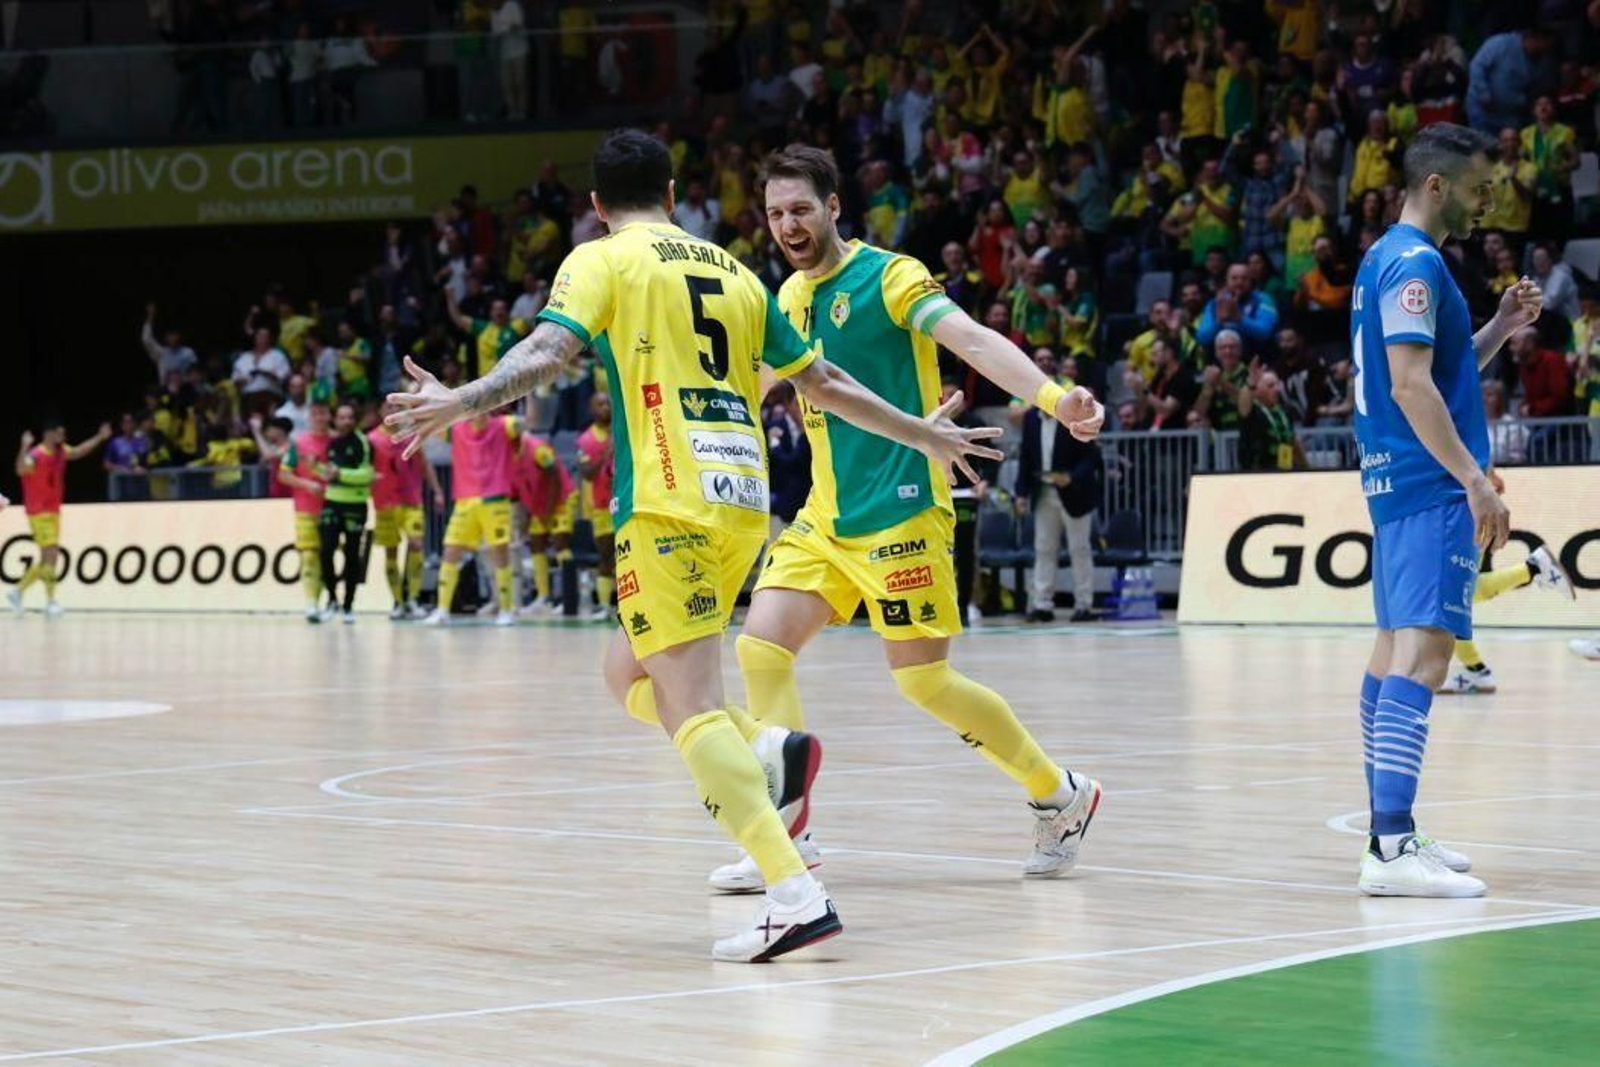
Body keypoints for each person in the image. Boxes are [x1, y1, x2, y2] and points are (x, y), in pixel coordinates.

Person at [384, 129, 1001, 963]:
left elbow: (549, 352)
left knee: (689, 703)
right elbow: (826, 383)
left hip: (669, 503)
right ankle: (767, 749)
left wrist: (464, 398)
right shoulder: (736, 269)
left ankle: (794, 891)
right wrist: (920, 434)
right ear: (674, 194)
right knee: (625, 671)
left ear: (597, 206)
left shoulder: (601, 258)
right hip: (741, 503)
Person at [709, 142, 1104, 896]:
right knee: (761, 647)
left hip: (901, 511)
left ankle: (1061, 793)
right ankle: (788, 835)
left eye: (800, 209)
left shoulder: (891, 276)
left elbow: (973, 339)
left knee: (923, 680)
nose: (787, 225)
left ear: (833, 208)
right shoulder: (785, 300)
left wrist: (1055, 399)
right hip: (825, 517)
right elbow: (747, 382)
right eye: (774, 213)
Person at [1351, 123, 1544, 898]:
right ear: (1438, 186)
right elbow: (1409, 385)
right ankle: (1391, 846)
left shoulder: (1382, 258)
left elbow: (1441, 369)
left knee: (1389, 654)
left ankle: (1387, 831)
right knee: (1427, 660)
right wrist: (1475, 478)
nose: (1488, 200)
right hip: (1430, 482)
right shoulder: (1417, 264)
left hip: (1395, 480)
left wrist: (1498, 326)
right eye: (1479, 187)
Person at [6, 421, 111, 616]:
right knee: (52, 554)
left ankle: (18, 591)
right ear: (49, 434)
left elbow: (79, 451)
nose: (63, 437)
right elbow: (20, 469)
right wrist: (23, 447)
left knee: (48, 558)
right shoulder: (36, 455)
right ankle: (50, 601)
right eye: (59, 433)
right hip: (38, 512)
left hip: (53, 511)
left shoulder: (61, 452)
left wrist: (99, 438)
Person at [429, 411, 522, 627]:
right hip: (465, 500)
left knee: (499, 553)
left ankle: (506, 610)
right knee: (451, 551)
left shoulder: (504, 425)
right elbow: (431, 426)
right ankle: (442, 610)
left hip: (495, 499)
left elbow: (521, 426)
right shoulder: (456, 429)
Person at [1016, 388, 1101, 623]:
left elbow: (1091, 456)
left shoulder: (1072, 416)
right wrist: (1020, 492)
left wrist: (1071, 477)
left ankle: (1084, 604)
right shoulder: (1030, 418)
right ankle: (1042, 604)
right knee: (1043, 547)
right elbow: (1025, 456)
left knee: (1079, 548)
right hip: (1043, 491)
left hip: (1074, 492)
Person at [369, 398, 445, 620]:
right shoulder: (372, 439)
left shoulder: (413, 435)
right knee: (391, 551)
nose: (393, 410)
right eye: (389, 406)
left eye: (398, 407)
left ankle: (412, 599)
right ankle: (397, 602)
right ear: (381, 410)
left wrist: (437, 491)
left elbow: (425, 464)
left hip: (412, 500)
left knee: (416, 544)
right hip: (385, 503)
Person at [316, 402, 375, 624]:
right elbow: (327, 474)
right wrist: (316, 468)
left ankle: (349, 605)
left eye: (350, 417)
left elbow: (367, 474)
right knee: (325, 551)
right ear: (335, 420)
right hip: (332, 502)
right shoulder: (332, 443)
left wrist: (340, 474)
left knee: (352, 555)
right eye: (342, 417)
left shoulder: (363, 442)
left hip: (355, 505)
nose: (346, 421)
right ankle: (331, 599)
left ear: (355, 419)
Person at [276, 400, 334, 622]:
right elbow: (284, 474)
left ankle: (333, 601)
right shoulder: (298, 444)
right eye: (315, 414)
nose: (319, 418)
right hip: (305, 508)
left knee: (327, 556)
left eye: (323, 413)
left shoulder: (337, 441)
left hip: (333, 508)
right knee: (309, 556)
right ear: (310, 417)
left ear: (329, 415)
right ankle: (312, 603)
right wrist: (308, 485)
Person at [512, 432, 579, 615]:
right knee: (536, 544)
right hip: (539, 504)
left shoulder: (537, 448)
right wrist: (525, 521)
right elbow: (517, 494)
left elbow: (556, 476)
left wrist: (548, 511)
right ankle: (543, 598)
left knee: (560, 543)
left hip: (562, 498)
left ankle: (569, 599)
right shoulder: (506, 454)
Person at [575, 391, 617, 620]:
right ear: (592, 409)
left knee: (628, 555)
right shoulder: (586, 440)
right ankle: (604, 605)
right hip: (601, 505)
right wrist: (606, 452)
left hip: (626, 501)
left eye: (608, 403)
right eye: (600, 404)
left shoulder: (625, 430)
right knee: (606, 555)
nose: (605, 407)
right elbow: (587, 474)